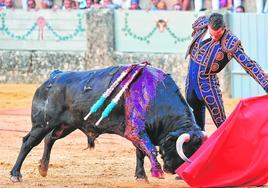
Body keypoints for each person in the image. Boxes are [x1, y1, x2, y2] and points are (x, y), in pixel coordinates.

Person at [185, 13, 268, 130]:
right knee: (195, 127)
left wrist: (266, 84)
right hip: (190, 85)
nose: (214, 38)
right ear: (208, 26)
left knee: (223, 126)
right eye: (211, 34)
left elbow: (249, 65)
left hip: (208, 87)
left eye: (217, 35)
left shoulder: (230, 42)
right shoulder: (202, 26)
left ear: (224, 28)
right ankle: (199, 147)